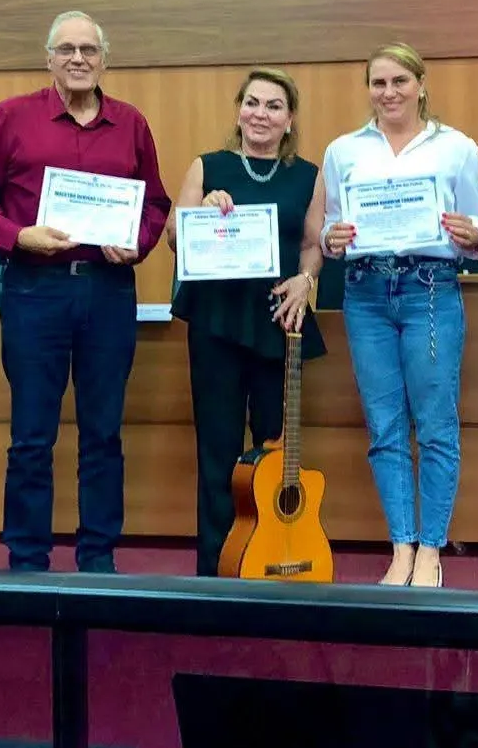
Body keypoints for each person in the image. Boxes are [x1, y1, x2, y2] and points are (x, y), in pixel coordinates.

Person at [0, 10, 171, 574]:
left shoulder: (131, 123)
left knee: (103, 433)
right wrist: (15, 235)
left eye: (89, 50)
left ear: (105, 58)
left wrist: (140, 243)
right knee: (31, 435)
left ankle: (97, 558)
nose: (78, 59)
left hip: (107, 292)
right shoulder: (11, 117)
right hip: (34, 290)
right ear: (48, 57)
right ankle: (28, 561)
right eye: (67, 50)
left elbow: (155, 203)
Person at [320, 43, 478, 588]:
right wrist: (333, 237)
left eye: (399, 81)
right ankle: (400, 545)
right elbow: (327, 229)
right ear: (367, 89)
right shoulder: (344, 149)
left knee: (436, 425)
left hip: (430, 290)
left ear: (421, 83)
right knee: (385, 426)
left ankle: (431, 551)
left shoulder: (456, 147)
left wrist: (474, 234)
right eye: (378, 83)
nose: (389, 93)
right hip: (365, 292)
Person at [167, 67, 326, 577]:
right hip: (216, 321)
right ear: (239, 110)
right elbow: (174, 237)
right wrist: (202, 208)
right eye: (252, 103)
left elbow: (311, 244)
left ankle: (272, 556)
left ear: (290, 118)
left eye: (273, 106)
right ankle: (217, 566)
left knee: (275, 449)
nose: (261, 113)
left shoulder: (308, 174)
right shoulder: (207, 166)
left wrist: (307, 280)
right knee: (217, 447)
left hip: (279, 321)